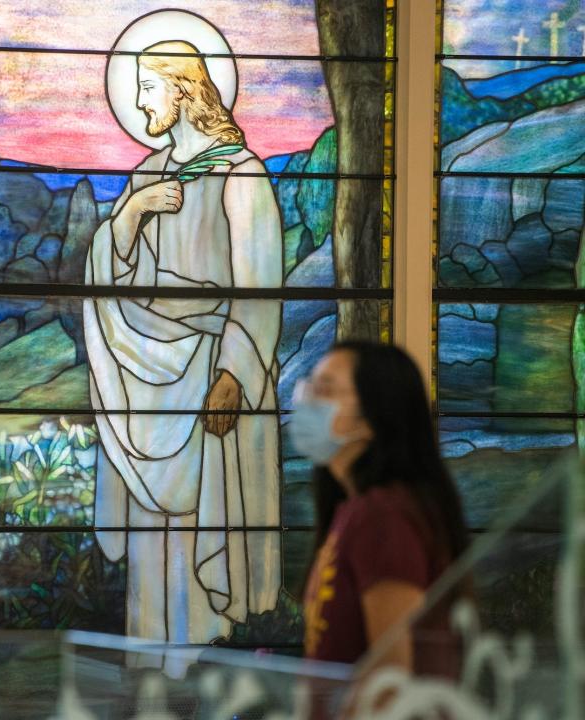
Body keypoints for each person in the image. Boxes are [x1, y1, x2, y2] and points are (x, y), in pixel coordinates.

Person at [85, 38, 283, 647]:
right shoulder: (148, 174)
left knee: (206, 532)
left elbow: (261, 285)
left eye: (149, 87)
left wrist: (235, 377)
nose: (139, 100)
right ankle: (150, 683)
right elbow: (112, 275)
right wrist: (130, 215)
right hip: (147, 384)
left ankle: (209, 677)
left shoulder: (241, 174)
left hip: (212, 378)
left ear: (183, 90)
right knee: (155, 544)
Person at [292, 342, 469, 679]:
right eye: (309, 387)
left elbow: (391, 680)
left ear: (371, 418)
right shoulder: (354, 509)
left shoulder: (383, 517)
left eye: (324, 390)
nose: (306, 401)